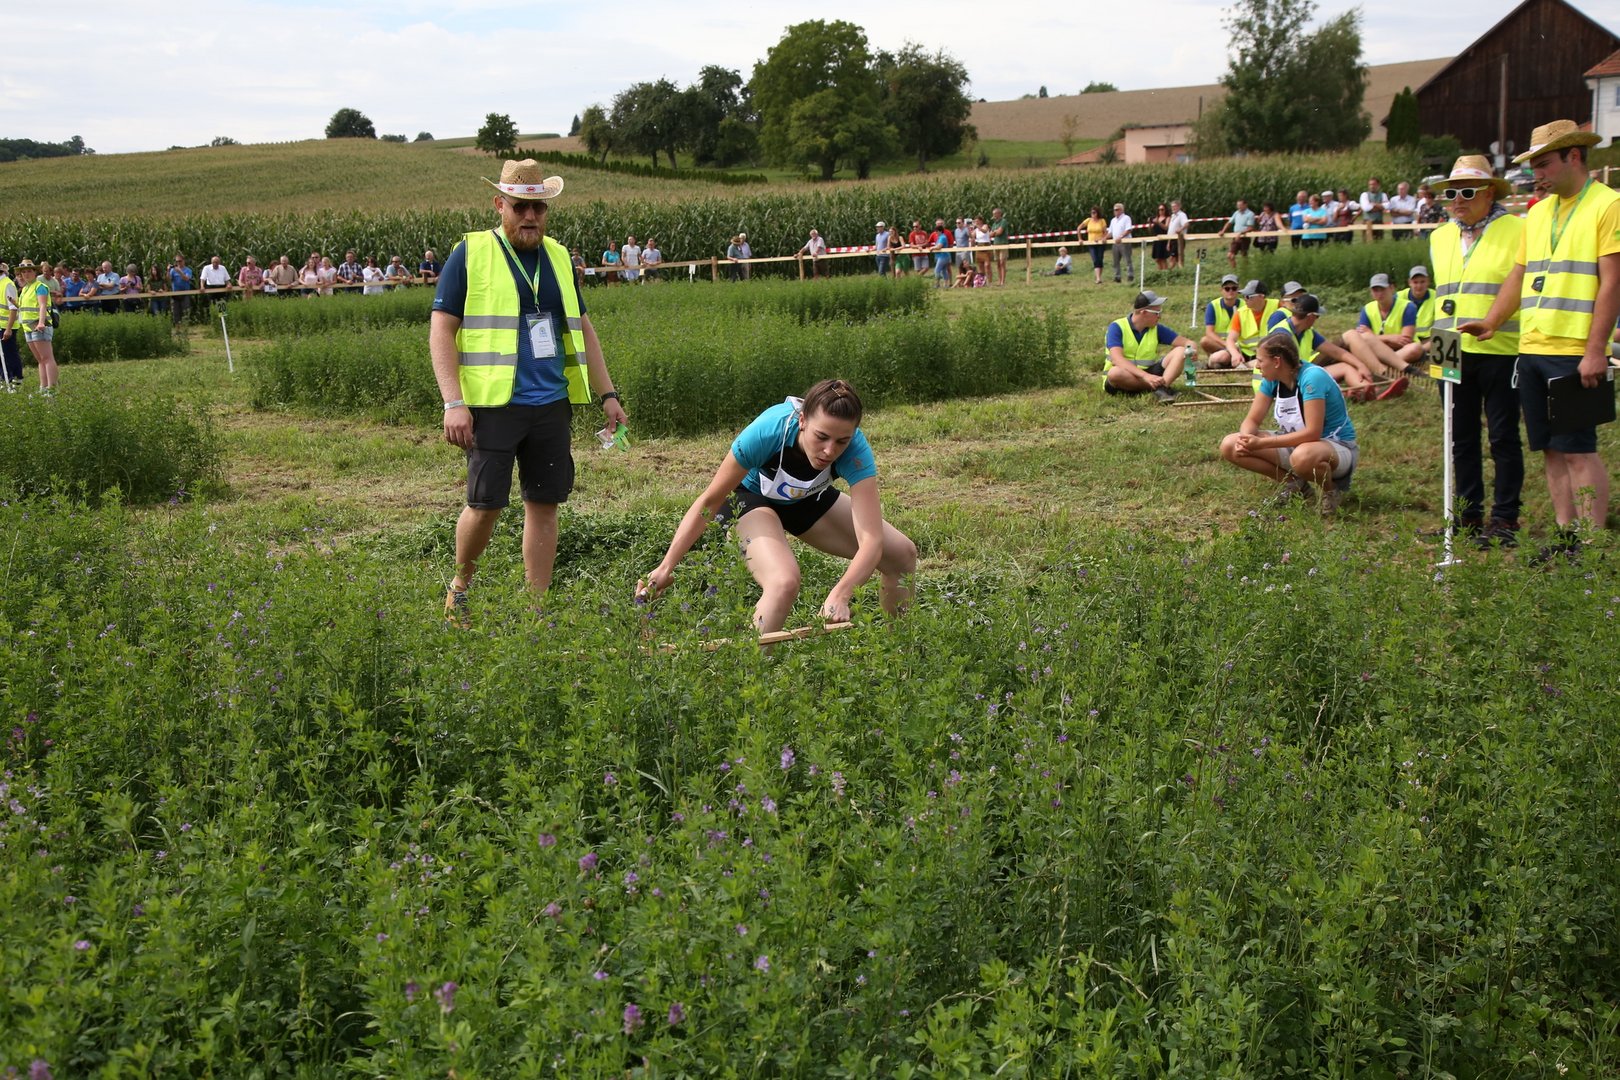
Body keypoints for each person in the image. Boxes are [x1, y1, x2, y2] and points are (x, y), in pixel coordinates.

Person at [429, 160, 628, 623]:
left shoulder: (558, 257)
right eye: (520, 207)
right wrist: (454, 402)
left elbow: (583, 328)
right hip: (493, 407)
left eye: (538, 208)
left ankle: (537, 608)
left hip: (551, 406)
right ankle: (461, 588)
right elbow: (441, 330)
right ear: (500, 205)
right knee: (485, 506)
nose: (530, 216)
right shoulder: (470, 253)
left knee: (544, 505)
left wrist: (608, 394)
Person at [640, 378, 915, 635]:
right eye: (821, 436)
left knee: (902, 554)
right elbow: (710, 501)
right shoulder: (768, 431)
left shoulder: (856, 449)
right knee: (783, 582)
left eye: (842, 441)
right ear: (803, 420)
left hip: (805, 498)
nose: (830, 450)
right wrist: (666, 566)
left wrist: (841, 594)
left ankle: (898, 651)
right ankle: (750, 667)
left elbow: (871, 539)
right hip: (748, 498)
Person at [1461, 120, 1619, 560]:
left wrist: (1595, 350)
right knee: (1550, 449)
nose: (1538, 174)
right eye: (1534, 166)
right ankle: (1567, 538)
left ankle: (1590, 548)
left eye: (1544, 164)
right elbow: (1520, 273)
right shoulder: (1537, 213)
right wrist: (1493, 321)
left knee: (1579, 451)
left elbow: (1612, 282)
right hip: (1531, 350)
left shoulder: (1608, 205)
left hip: (1574, 352)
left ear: (1574, 156)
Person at [1428, 155, 1526, 546]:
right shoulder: (1438, 237)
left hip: (1500, 346)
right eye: (1451, 193)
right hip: (1448, 346)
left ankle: (1505, 518)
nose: (1457, 200)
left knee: (1502, 435)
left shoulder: (1518, 230)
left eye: (1467, 192)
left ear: (1489, 193)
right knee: (1459, 436)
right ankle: (1466, 516)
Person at [1219, 330, 1358, 514]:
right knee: (1230, 444)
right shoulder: (1272, 379)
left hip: (1335, 445)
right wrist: (1245, 439)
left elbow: (1313, 433)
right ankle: (1295, 486)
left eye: (1260, 360)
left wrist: (1261, 443)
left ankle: (1330, 491)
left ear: (1277, 362)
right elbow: (1252, 419)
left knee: (1302, 457)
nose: (1257, 366)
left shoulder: (1312, 378)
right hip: (1298, 444)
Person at [1265, 294, 1374, 400]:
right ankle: (1358, 392)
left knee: (1345, 367)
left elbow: (1335, 352)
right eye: (1317, 316)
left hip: (1301, 375)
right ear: (1310, 316)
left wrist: (1360, 366)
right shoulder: (1281, 335)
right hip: (1280, 383)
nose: (1316, 320)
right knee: (1318, 376)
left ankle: (1367, 389)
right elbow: (1285, 371)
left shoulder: (1307, 332)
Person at [1104, 290, 1191, 403]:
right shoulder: (1117, 327)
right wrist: (1146, 376)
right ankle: (1158, 388)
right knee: (1114, 373)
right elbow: (1117, 359)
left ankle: (1161, 389)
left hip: (1149, 375)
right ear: (1144, 312)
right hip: (1124, 378)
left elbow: (1187, 343)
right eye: (1157, 313)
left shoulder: (1156, 328)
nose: (1160, 316)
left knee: (1181, 351)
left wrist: (1191, 350)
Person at [1344, 273, 1421, 392]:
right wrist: (1389, 338)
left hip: (1400, 350)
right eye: (1376, 290)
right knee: (1364, 339)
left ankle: (1374, 366)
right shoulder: (1368, 309)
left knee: (1414, 348)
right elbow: (1361, 337)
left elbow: (1406, 340)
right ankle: (1384, 368)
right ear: (1371, 292)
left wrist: (1373, 337)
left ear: (1392, 288)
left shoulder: (1407, 307)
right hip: (1377, 350)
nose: (1379, 294)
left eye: (1382, 289)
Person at [13, 261, 58, 394]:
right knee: (40, 359)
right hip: (28, 327)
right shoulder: (25, 289)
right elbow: (26, 307)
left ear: (35, 272)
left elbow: (42, 305)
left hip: (39, 325)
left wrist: (41, 322)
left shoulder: (40, 286)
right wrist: (15, 303)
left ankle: (51, 389)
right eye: (23, 272)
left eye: (29, 271)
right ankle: (43, 388)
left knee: (47, 358)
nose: (26, 274)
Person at [1222, 279, 1281, 372]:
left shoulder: (1277, 306)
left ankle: (1244, 366)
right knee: (1217, 358)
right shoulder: (1240, 313)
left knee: (1268, 361)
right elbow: (1230, 339)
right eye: (1244, 296)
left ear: (1261, 296)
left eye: (1248, 296)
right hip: (1245, 353)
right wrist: (1235, 354)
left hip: (1268, 353)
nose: (1245, 299)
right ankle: (1242, 365)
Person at [1201, 274, 1243, 368]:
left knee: (1222, 357)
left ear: (1238, 290)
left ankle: (1223, 360)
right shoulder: (1213, 305)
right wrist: (1228, 345)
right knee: (1205, 341)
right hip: (1220, 344)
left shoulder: (1245, 305)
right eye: (1227, 289)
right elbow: (1209, 332)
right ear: (1221, 290)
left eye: (1234, 288)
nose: (1230, 291)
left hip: (1239, 344)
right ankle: (1226, 358)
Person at [1396, 265, 1436, 347]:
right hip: (1404, 340)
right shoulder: (1398, 297)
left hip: (1428, 341)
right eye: (1415, 282)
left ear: (1428, 281)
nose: (1419, 286)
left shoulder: (1436, 297)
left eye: (1422, 282)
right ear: (1409, 282)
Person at [0, 263, 21, 390]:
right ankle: (4, 379)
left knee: (9, 354)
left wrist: (8, 329)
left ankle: (16, 379)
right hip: (1, 325)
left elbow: (13, 308)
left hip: (6, 326)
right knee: (1, 356)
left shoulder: (7, 284)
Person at [1217, 198, 1256, 266]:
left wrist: (1241, 233)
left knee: (1244, 255)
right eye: (1238, 205)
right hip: (1235, 237)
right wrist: (1223, 231)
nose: (1239, 207)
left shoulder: (1250, 214)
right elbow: (1229, 223)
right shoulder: (1236, 213)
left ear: (1245, 205)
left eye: (1240, 205)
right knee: (1230, 255)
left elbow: (1250, 228)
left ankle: (1246, 269)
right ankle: (1234, 269)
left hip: (1244, 237)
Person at [1079, 206, 1108, 285]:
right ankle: (1098, 278)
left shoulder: (1102, 221)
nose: (1093, 214)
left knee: (1100, 259)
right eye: (1091, 213)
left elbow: (1105, 232)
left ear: (1097, 213)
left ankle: (1099, 277)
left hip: (1100, 243)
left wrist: (1103, 238)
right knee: (1095, 259)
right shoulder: (1088, 220)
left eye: (1094, 213)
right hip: (1091, 243)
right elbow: (1079, 228)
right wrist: (1080, 239)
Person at [1107, 203, 1134, 284]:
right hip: (1115, 242)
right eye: (1114, 210)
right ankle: (1117, 277)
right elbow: (1110, 232)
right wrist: (1104, 238)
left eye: (1117, 209)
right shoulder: (1113, 220)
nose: (1115, 211)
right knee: (1115, 261)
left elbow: (1128, 230)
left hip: (1125, 242)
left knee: (1127, 260)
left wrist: (1121, 237)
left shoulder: (1126, 218)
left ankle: (1130, 275)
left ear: (1122, 210)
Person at [168, 255, 194, 325]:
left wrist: (180, 272)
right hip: (175, 294)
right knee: (175, 312)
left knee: (186, 311)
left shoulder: (188, 270)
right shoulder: (173, 270)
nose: (178, 263)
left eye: (180, 261)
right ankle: (177, 327)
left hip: (185, 293)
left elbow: (186, 279)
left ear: (183, 261)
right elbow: (169, 280)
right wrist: (168, 270)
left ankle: (185, 326)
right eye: (176, 261)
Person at [988, 208, 1009, 286]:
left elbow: (1000, 232)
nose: (993, 215)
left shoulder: (1003, 221)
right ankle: (999, 280)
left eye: (994, 214)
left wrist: (994, 232)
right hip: (996, 244)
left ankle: (1003, 281)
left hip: (1003, 244)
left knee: (1002, 262)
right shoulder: (994, 224)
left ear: (999, 214)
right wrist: (995, 232)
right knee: (998, 263)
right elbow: (990, 234)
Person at [1167, 200, 1190, 268]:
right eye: (1172, 207)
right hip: (1172, 239)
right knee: (1176, 258)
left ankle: (1169, 272)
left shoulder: (1182, 215)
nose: (1173, 208)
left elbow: (1186, 224)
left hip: (1178, 239)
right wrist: (1168, 242)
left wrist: (1180, 229)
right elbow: (1170, 230)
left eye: (1175, 206)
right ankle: (1180, 271)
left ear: (1179, 206)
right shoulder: (1173, 216)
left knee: (1173, 258)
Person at [932, 220, 954, 287]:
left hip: (943, 257)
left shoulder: (942, 237)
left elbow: (939, 246)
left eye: (936, 231)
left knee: (937, 270)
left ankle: (937, 284)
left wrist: (932, 248)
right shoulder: (940, 237)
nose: (936, 233)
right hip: (942, 256)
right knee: (944, 270)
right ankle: (946, 284)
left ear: (940, 231)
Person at [1149, 203, 1171, 270]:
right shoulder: (1156, 218)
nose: (1160, 211)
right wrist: (1150, 223)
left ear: (1165, 210)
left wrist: (1158, 222)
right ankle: (1160, 271)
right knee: (1157, 259)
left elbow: (1166, 228)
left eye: (1162, 209)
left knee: (1163, 258)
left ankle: (1165, 272)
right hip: (1156, 239)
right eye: (1159, 210)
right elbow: (1151, 230)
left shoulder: (1168, 218)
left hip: (1163, 239)